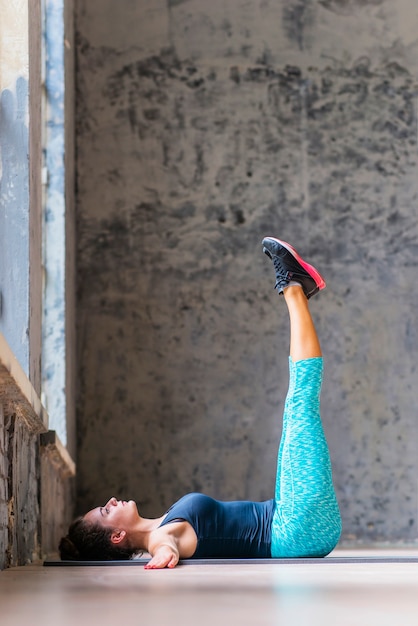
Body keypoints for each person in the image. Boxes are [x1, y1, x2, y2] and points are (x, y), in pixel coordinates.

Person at [59, 237, 342, 568]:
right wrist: (164, 556)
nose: (110, 501)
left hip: (290, 518)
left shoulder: (165, 523)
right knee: (300, 403)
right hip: (294, 528)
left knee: (298, 405)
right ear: (117, 536)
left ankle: (297, 290)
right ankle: (293, 287)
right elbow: (169, 547)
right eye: (106, 511)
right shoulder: (161, 537)